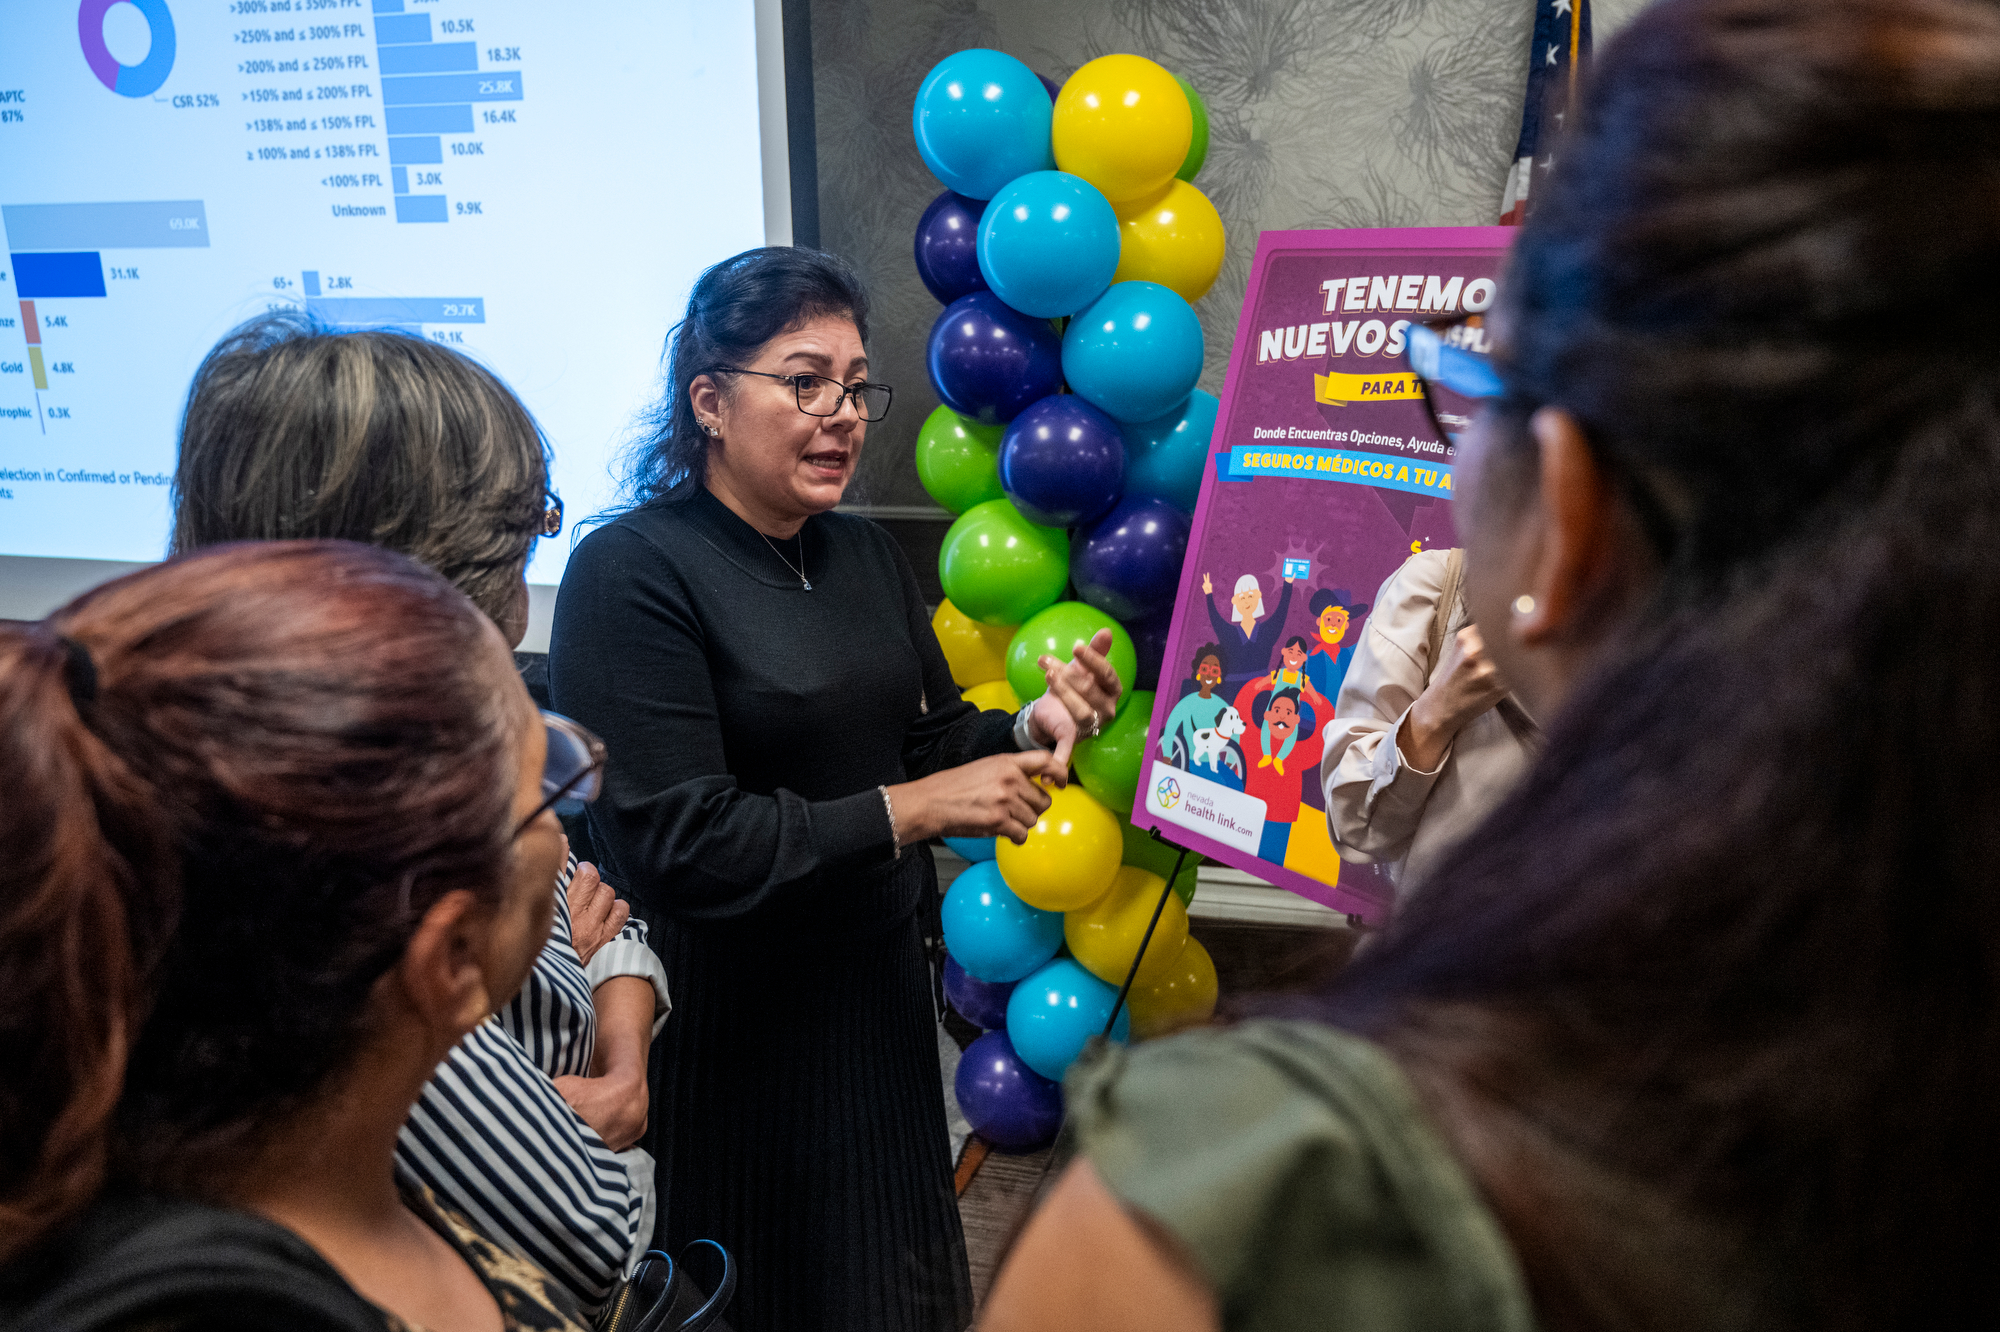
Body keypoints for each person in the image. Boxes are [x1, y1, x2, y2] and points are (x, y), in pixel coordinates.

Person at [981, 0, 2000, 1327]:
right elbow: (1361, 814)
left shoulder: (1235, 1220)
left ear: (1566, 506)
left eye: (1474, 385)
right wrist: (1432, 717)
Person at [547, 247, 1121, 1332]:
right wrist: (916, 813)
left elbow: (927, 734)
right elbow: (676, 842)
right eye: (804, 382)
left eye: (856, 386)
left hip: (874, 1003)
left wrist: (1031, 725)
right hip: (729, 1024)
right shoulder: (632, 570)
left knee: (891, 1291)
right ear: (709, 401)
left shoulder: (857, 555)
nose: (842, 414)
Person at [169, 312, 671, 1314]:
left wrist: (602, 1018)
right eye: (526, 529)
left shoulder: (353, 762)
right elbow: (595, 1229)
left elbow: (612, 926)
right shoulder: (343, 876)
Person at [0, 542, 590, 1331]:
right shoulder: (205, 1307)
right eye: (545, 783)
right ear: (451, 959)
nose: (564, 795)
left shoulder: (297, 1176)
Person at [1319, 546, 1535, 895]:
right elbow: (1355, 822)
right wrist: (1436, 712)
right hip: (1453, 930)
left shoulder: (1645, 626)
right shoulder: (1436, 586)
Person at [1201, 570, 1296, 689]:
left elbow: (1280, 614)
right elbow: (1216, 620)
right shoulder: (1229, 634)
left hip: (1260, 688)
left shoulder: (1266, 631)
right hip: (1233, 690)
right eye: (1242, 597)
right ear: (1235, 601)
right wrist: (1209, 594)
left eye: (1250, 596)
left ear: (1258, 597)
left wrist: (1287, 584)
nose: (1246, 601)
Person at [1301, 587, 1367, 704]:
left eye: (1338, 620)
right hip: (1310, 719)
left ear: (1346, 625)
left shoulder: (1351, 653)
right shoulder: (1307, 658)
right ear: (1319, 621)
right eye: (1329, 619)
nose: (1333, 625)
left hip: (1343, 718)